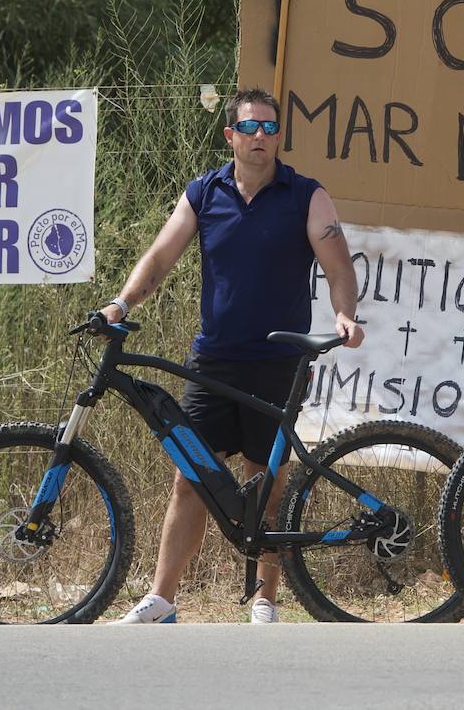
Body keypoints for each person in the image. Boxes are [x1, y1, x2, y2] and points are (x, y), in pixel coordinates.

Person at [102, 87, 364, 624]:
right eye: (250, 128)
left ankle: (266, 600)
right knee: (191, 478)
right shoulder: (204, 193)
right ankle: (163, 599)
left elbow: (338, 267)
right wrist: (122, 303)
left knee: (263, 482)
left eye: (270, 128)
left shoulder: (306, 195)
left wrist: (344, 313)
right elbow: (160, 255)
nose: (261, 137)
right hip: (214, 362)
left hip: (277, 364)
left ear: (279, 137)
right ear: (231, 136)